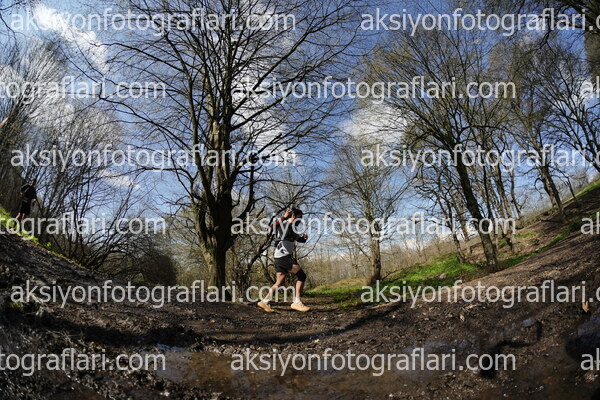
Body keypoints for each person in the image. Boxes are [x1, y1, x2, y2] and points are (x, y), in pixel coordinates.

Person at [258, 208, 310, 312]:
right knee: (301, 276)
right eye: (299, 218)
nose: (300, 220)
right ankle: (297, 302)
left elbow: (297, 238)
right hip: (284, 256)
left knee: (279, 282)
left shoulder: (292, 228)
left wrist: (303, 238)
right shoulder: (284, 224)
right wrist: (284, 217)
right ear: (293, 216)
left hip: (280, 257)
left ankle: (264, 301)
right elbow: (272, 228)